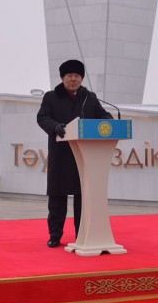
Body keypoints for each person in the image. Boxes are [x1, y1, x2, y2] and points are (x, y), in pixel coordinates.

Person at [36, 59, 113, 248]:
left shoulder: (90, 98)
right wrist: (55, 126)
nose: (73, 79)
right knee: (57, 197)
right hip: (61, 154)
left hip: (86, 156)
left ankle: (82, 233)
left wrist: (108, 120)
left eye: (77, 76)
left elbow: (103, 116)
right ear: (62, 78)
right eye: (69, 75)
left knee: (83, 197)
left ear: (82, 78)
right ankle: (55, 235)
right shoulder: (51, 97)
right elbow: (42, 117)